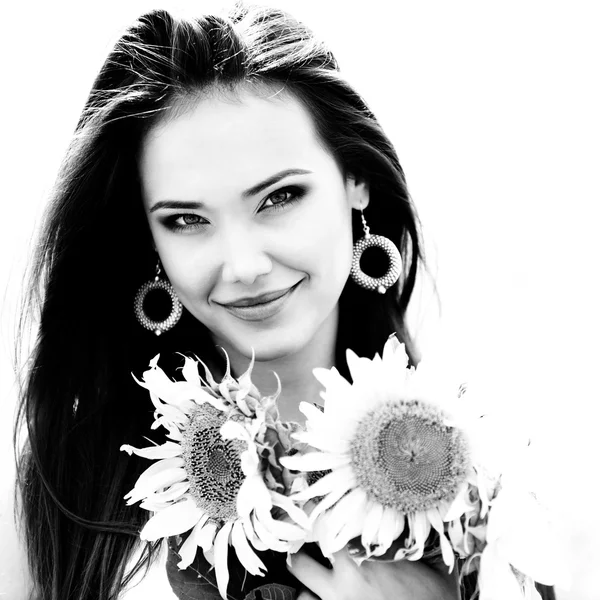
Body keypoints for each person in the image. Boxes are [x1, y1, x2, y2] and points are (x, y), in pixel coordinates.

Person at [11, 4, 554, 600]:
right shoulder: (71, 480)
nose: (244, 265)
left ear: (356, 179)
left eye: (280, 197)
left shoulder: (487, 488)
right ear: (150, 240)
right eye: (187, 220)